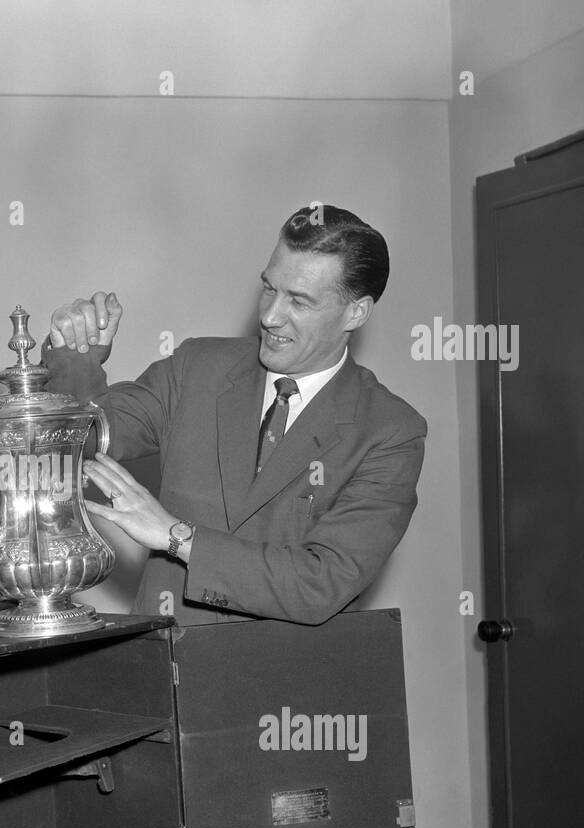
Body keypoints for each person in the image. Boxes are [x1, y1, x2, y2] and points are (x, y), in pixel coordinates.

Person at [43, 204, 426, 626]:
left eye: (298, 300)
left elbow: (321, 582)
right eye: (269, 288)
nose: (269, 315)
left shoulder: (390, 431)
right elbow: (84, 440)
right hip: (160, 671)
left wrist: (176, 537)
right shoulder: (197, 367)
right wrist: (75, 358)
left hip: (281, 685)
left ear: (356, 312)